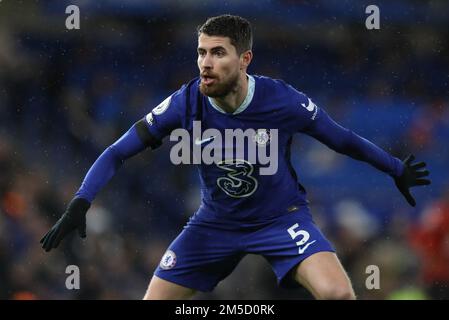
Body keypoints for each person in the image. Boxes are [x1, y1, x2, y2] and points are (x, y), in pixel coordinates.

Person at [40, 14, 431, 300]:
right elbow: (117, 151)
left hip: (281, 219)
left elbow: (342, 139)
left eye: (218, 53)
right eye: (201, 53)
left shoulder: (282, 100)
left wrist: (395, 169)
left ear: (244, 60)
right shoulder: (185, 101)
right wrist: (81, 201)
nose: (205, 63)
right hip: (215, 223)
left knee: (338, 295)